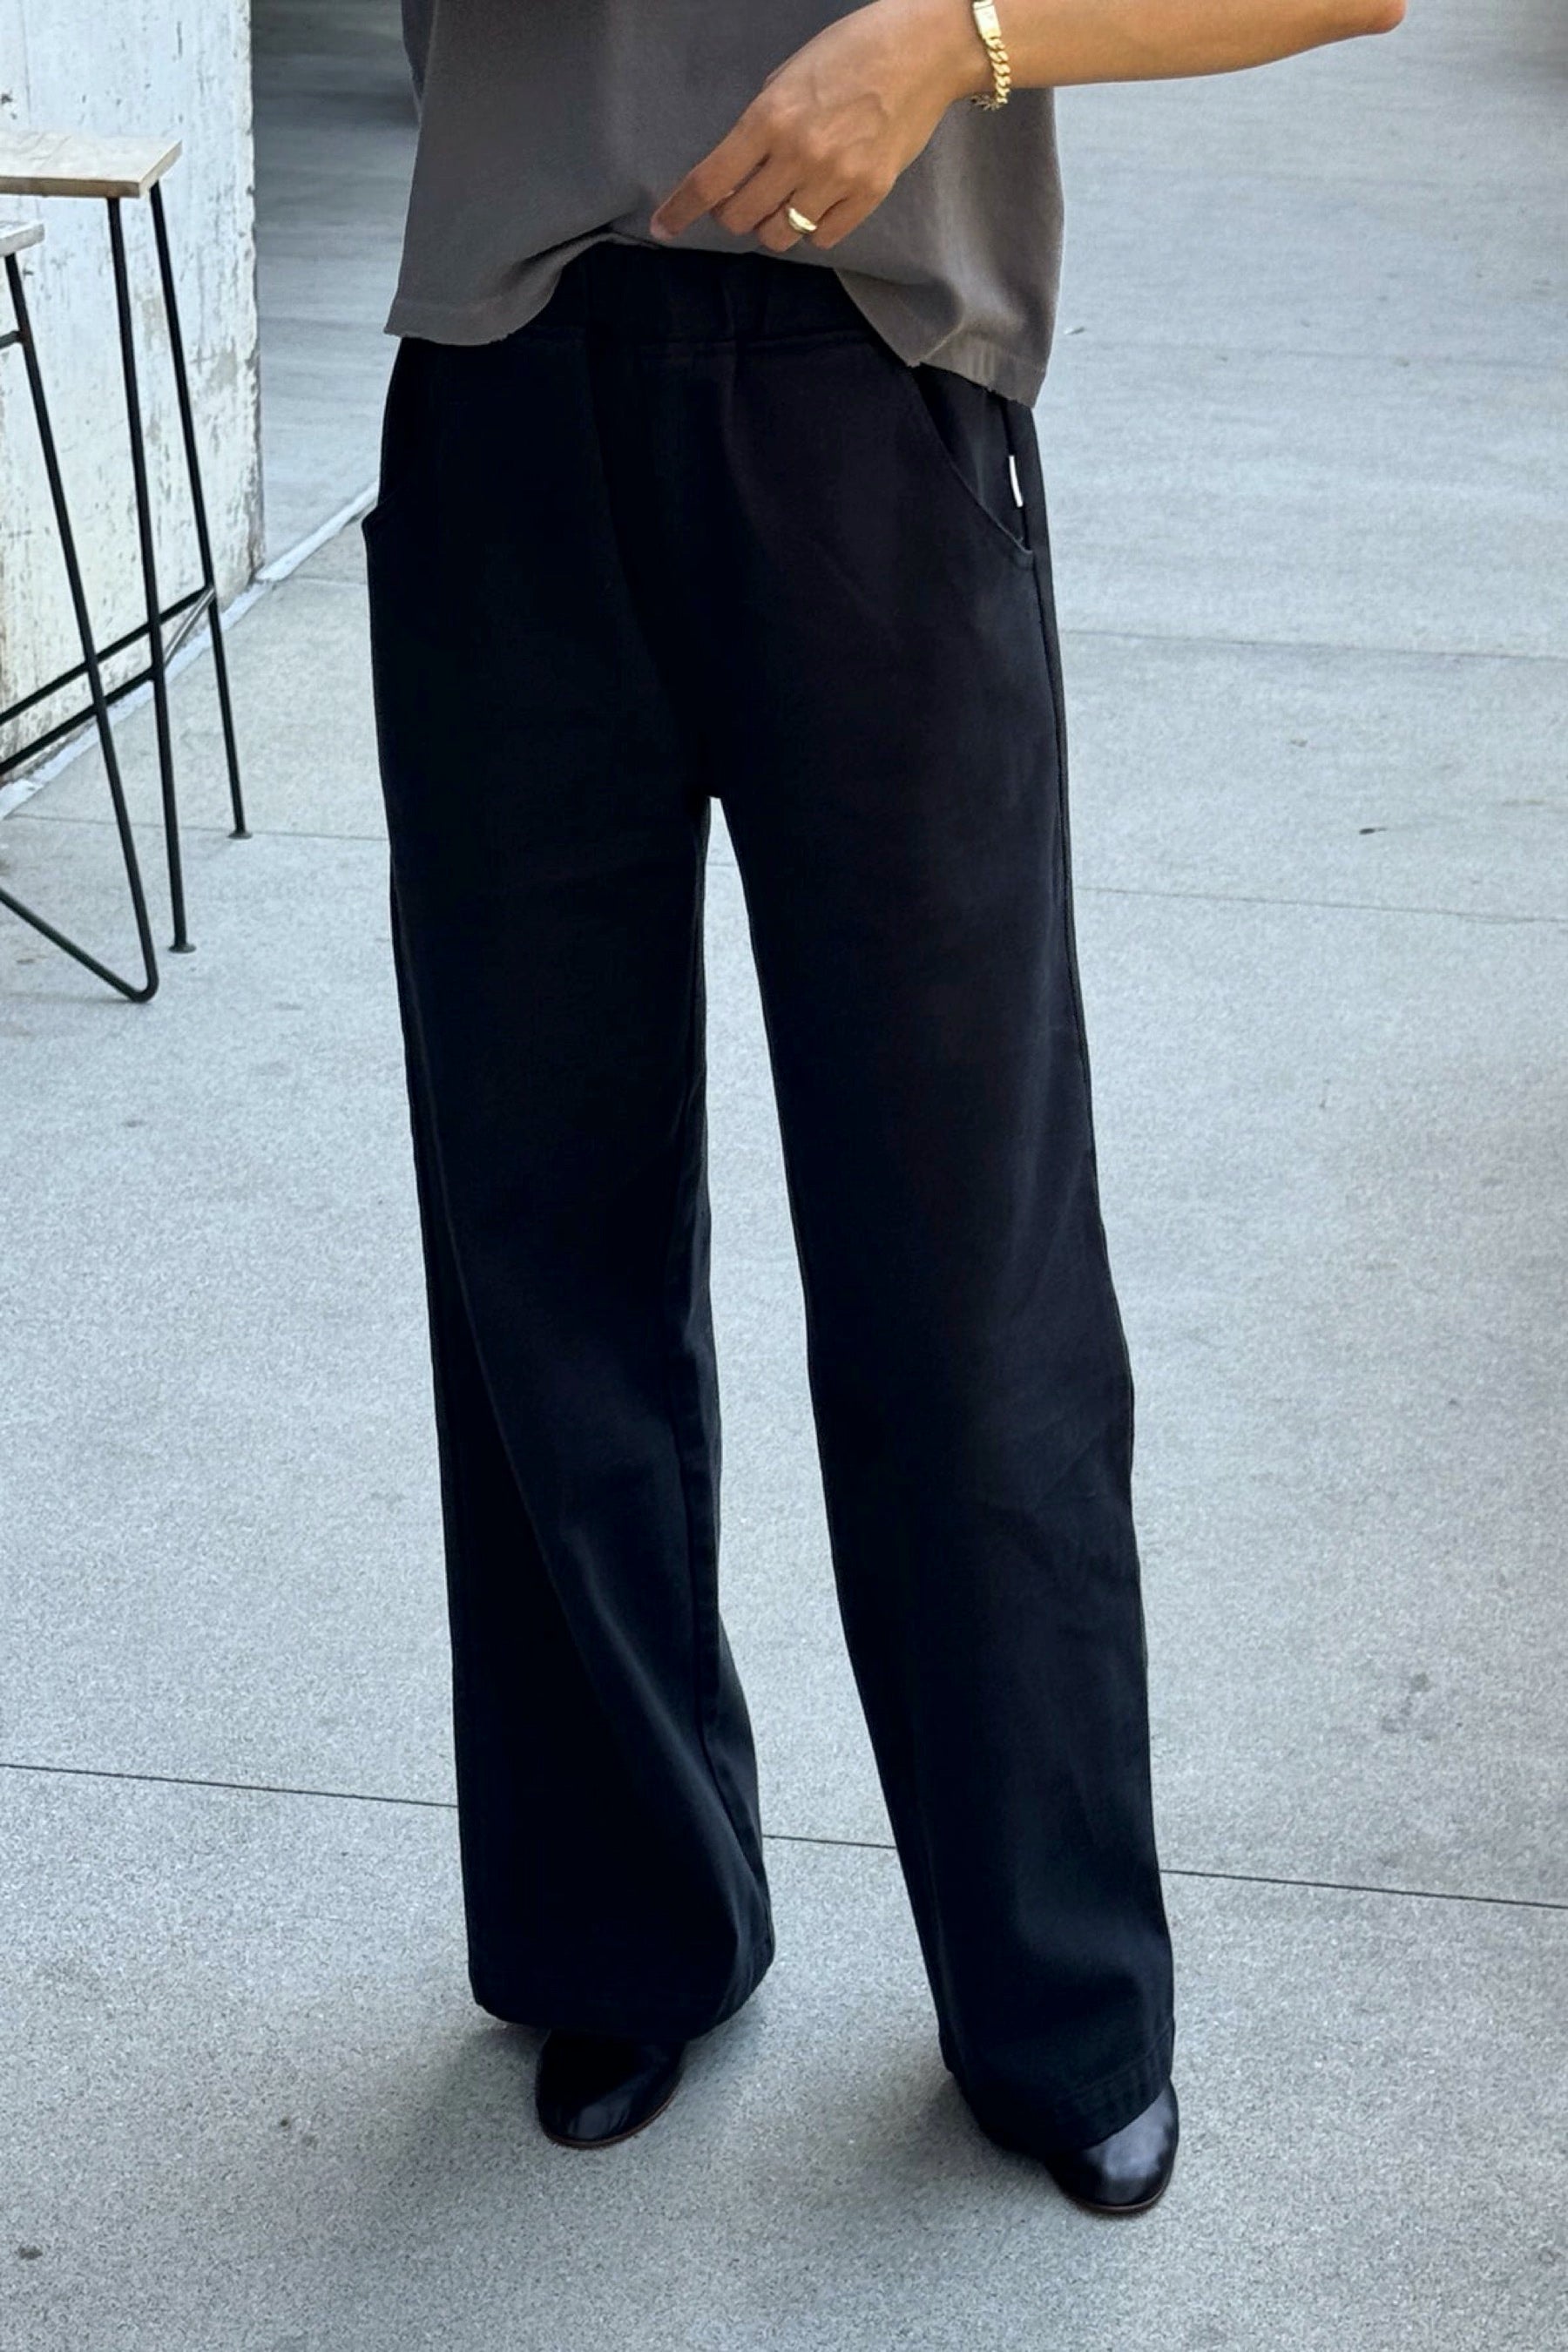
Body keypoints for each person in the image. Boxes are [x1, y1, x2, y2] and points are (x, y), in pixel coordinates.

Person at [365, 0, 1403, 2218]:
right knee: (538, 1232)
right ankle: (621, 1925)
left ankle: (1057, 1999)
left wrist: (960, 38)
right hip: (505, 380)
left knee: (964, 1265)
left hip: (877, 393)